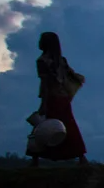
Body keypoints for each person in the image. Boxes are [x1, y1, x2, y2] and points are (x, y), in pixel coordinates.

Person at [29, 32, 88, 165]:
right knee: (68, 126)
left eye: (41, 40)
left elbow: (45, 84)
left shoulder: (42, 61)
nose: (39, 42)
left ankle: (35, 159)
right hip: (63, 98)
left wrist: (43, 103)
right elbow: (71, 76)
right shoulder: (61, 61)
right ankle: (81, 157)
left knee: (42, 127)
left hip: (52, 98)